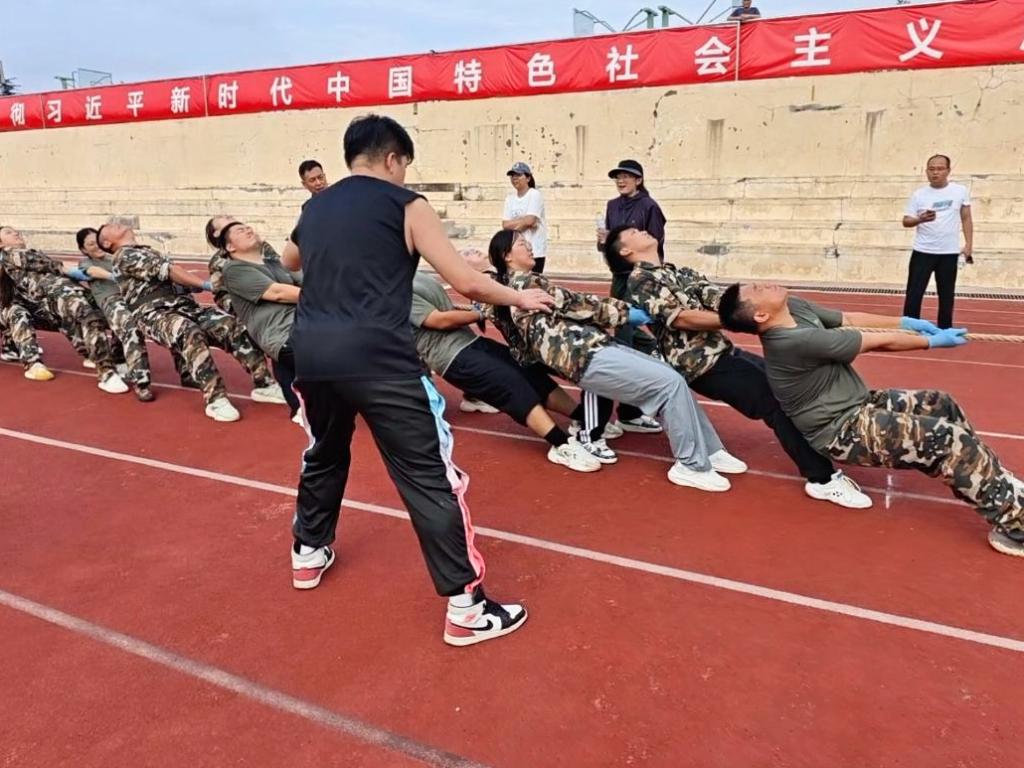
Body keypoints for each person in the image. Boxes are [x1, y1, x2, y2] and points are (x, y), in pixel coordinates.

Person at [285, 114, 556, 647]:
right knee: (428, 476)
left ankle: (308, 552)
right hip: (380, 358)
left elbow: (292, 258)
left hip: (312, 354)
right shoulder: (406, 205)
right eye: (404, 165)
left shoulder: (315, 206)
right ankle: (466, 608)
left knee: (325, 452)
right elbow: (464, 281)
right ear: (394, 159)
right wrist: (519, 296)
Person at [717, 282, 1024, 558]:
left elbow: (849, 319)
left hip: (860, 404)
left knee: (940, 404)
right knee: (944, 439)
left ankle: (993, 480)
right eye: (757, 290)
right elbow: (875, 342)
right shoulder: (791, 342)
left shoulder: (794, 307)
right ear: (761, 315)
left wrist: (905, 322)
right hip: (842, 430)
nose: (765, 284)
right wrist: (930, 342)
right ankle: (1016, 526)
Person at [606, 225, 872, 508]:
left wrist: (754, 308)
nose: (642, 230)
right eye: (633, 232)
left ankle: (824, 455)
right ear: (626, 250)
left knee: (788, 393)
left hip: (724, 352)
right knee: (775, 404)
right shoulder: (641, 280)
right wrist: (745, 321)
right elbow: (681, 318)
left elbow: (720, 301)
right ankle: (823, 480)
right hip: (699, 364)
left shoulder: (678, 272)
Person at [489, 228, 745, 493]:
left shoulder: (525, 283)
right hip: (583, 355)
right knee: (668, 383)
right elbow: (579, 304)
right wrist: (628, 313)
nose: (530, 246)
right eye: (521, 243)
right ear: (507, 256)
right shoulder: (522, 285)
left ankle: (710, 450)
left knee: (671, 378)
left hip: (593, 347)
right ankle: (690, 465)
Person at [411, 270, 602, 472]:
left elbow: (441, 306)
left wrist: (473, 308)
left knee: (528, 373)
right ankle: (562, 445)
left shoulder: (415, 274)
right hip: (450, 355)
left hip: (471, 341)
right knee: (511, 383)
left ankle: (583, 417)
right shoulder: (397, 288)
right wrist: (482, 312)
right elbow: (438, 320)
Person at [96, 222, 285, 422]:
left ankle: (264, 384)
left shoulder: (147, 251)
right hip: (154, 313)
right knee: (188, 332)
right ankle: (216, 399)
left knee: (231, 326)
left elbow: (173, 278)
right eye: (111, 227)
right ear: (108, 243)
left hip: (186, 306)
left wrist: (188, 286)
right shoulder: (124, 255)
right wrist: (205, 285)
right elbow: (169, 271)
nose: (118, 223)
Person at [0, 225, 128, 394]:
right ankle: (107, 372)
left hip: (62, 296)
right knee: (90, 317)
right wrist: (81, 271)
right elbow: (57, 266)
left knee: (109, 316)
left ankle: (103, 358)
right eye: (8, 233)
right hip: (57, 296)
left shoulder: (23, 257)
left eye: (15, 231)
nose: (16, 233)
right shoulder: (11, 254)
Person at [595, 159, 667, 434]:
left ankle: (629, 409)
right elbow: (607, 247)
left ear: (639, 180)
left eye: (627, 176)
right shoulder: (612, 206)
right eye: (618, 177)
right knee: (624, 331)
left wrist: (652, 277)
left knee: (626, 335)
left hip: (640, 278)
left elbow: (654, 245)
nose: (621, 180)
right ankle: (629, 410)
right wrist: (602, 242)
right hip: (618, 276)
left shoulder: (649, 206)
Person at [217, 220, 303, 421]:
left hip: (301, 325)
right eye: (240, 230)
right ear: (230, 247)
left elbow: (306, 281)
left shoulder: (275, 263)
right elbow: (278, 293)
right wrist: (327, 294)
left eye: (248, 227)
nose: (248, 229)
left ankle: (299, 406)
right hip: (282, 334)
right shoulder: (234, 270)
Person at [76, 227, 155, 401]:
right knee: (129, 325)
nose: (96, 247)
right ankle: (141, 382)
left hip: (130, 298)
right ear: (83, 249)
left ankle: (120, 358)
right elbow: (93, 272)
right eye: (90, 244)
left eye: (97, 242)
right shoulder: (86, 263)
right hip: (111, 301)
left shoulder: (115, 258)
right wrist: (115, 276)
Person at [901, 154, 973, 329]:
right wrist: (920, 219)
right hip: (923, 251)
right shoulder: (919, 195)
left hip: (948, 252)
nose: (935, 173)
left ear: (948, 171)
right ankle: (910, 329)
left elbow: (966, 218)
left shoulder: (960, 191)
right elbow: (906, 221)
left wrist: (968, 245)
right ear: (926, 171)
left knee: (947, 295)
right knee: (914, 294)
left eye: (940, 169)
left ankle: (945, 330)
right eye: (931, 169)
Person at [501, 162, 548, 274]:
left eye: (518, 175)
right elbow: (505, 225)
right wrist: (525, 221)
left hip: (534, 251)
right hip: (516, 252)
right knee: (516, 282)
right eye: (512, 175)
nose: (514, 178)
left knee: (533, 282)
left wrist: (515, 228)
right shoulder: (509, 199)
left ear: (528, 178)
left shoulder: (534, 194)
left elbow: (530, 220)